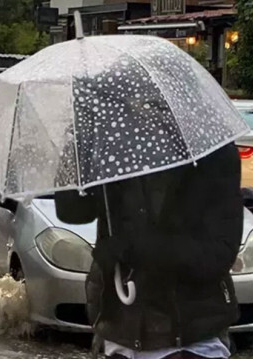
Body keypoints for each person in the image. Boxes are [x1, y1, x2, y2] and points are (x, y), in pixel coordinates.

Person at [55, 144, 243, 359]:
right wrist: (77, 151)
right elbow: (73, 212)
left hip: (190, 340)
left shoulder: (212, 151)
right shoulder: (110, 143)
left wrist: (138, 249)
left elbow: (219, 253)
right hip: (120, 331)